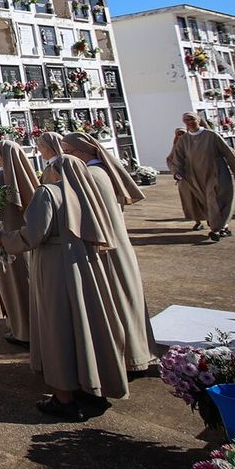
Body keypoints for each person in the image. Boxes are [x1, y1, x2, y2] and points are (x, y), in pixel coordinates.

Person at [0, 134, 129, 421]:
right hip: (86, 265)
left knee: (58, 328)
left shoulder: (48, 193)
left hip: (55, 265)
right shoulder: (87, 193)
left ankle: (64, 397)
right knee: (88, 326)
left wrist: (3, 240)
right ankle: (94, 387)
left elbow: (33, 234)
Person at [63, 132, 158, 372]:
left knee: (117, 300)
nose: (65, 157)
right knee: (126, 299)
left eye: (68, 152)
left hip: (108, 249)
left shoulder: (92, 176)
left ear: (82, 152)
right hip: (117, 244)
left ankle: (129, 358)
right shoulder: (102, 171)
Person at [0, 140, 38, 346]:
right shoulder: (30, 177)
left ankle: (22, 331)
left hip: (4, 241)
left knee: (14, 286)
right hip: (28, 242)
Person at [170, 112, 235, 242]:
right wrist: (177, 172)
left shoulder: (211, 135)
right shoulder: (184, 140)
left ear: (198, 120)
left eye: (192, 119)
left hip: (217, 173)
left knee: (217, 200)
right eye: (186, 120)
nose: (189, 122)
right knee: (207, 202)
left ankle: (216, 228)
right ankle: (221, 228)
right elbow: (177, 158)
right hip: (196, 177)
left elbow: (227, 153)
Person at [166, 128, 206, 230]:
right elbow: (170, 160)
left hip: (199, 177)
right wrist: (176, 172)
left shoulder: (194, 145)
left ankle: (210, 219)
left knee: (204, 198)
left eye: (182, 134)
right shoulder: (175, 148)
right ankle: (197, 221)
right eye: (178, 134)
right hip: (184, 180)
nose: (180, 136)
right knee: (190, 201)